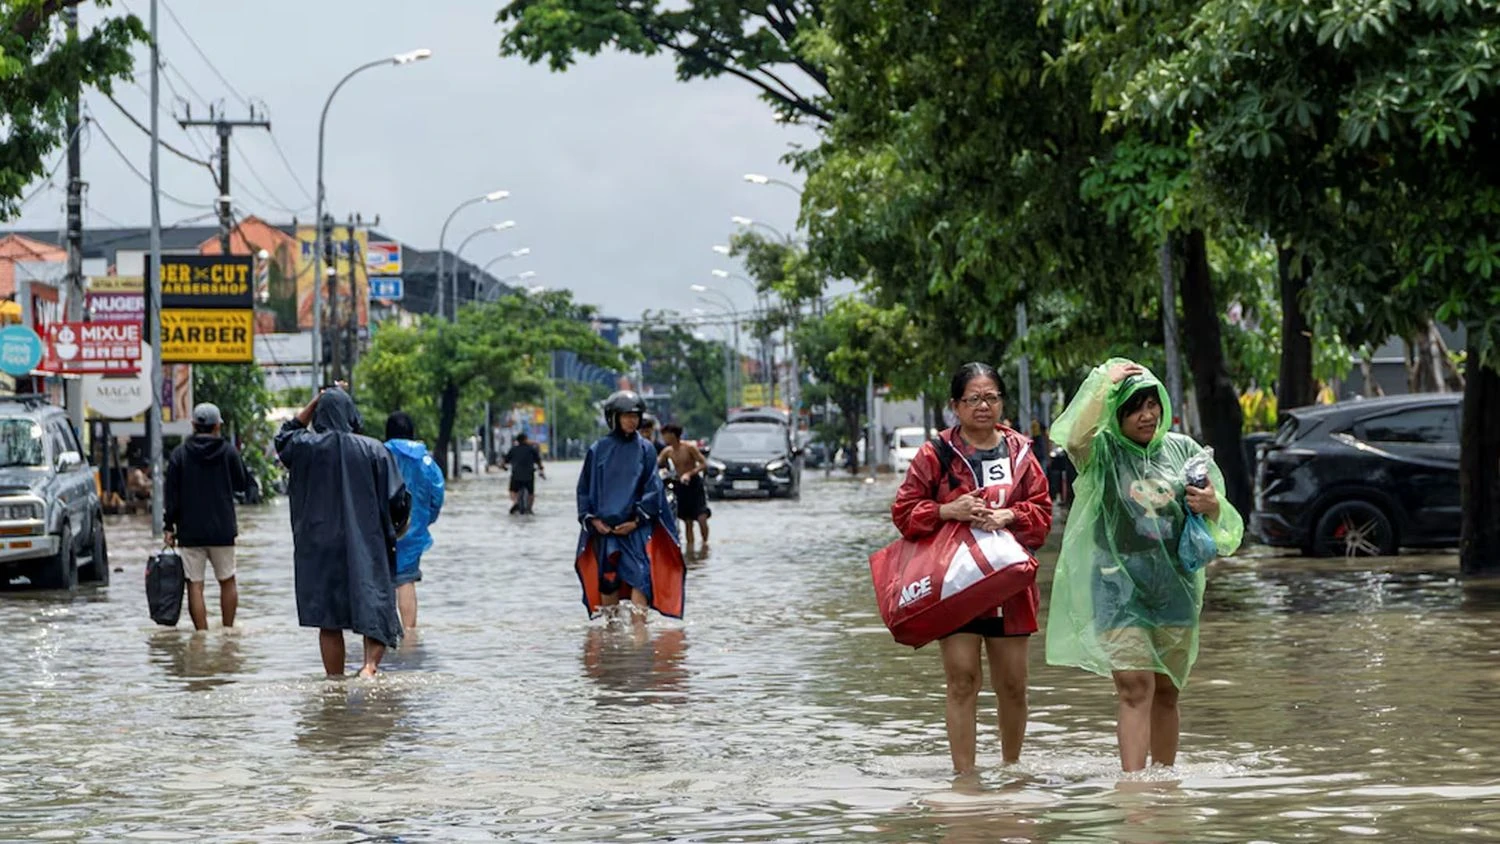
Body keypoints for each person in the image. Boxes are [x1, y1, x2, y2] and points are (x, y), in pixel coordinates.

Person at [1045, 359, 1244, 772]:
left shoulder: (1184, 450)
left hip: (1176, 590)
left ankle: (1165, 785)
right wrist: (1103, 382)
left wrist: (1211, 505)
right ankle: (1134, 790)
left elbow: (1219, 516)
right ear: (1117, 414)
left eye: (1153, 404)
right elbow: (1073, 436)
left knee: (1168, 691)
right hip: (1118, 589)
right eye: (1135, 406)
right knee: (1136, 688)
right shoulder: (1102, 453)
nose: (1147, 414)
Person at [890, 362, 1053, 774]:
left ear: (1002, 401)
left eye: (991, 397)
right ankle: (964, 779)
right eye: (973, 399)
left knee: (1013, 685)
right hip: (956, 584)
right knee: (962, 680)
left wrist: (1009, 516)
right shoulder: (935, 454)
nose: (983, 406)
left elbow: (1042, 512)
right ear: (955, 406)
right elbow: (904, 512)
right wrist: (947, 509)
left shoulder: (1021, 452)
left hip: (1010, 585)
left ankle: (1012, 771)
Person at [275, 387, 411, 678]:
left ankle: (335, 681)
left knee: (329, 618)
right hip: (366, 542)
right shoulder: (375, 449)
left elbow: (283, 436)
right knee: (375, 606)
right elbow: (398, 499)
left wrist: (316, 399)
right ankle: (369, 668)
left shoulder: (303, 447)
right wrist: (396, 527)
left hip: (318, 546)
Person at [574, 390, 686, 626]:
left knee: (640, 580)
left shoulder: (645, 449)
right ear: (613, 418)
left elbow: (653, 488)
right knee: (608, 582)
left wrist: (637, 520)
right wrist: (593, 520)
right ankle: (611, 638)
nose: (631, 421)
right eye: (626, 416)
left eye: (635, 416)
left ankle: (639, 638)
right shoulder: (598, 450)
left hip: (635, 529)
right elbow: (584, 489)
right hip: (605, 530)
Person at [163, 402, 249, 631]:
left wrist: (168, 526)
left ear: (193, 425)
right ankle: (228, 631)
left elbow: (170, 494)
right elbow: (242, 484)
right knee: (227, 580)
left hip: (190, 530)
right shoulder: (229, 452)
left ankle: (200, 634)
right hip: (222, 529)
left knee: (195, 584)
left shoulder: (179, 455)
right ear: (217, 427)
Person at [384, 411, 446, 631]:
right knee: (406, 579)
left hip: (379, 528)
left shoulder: (378, 454)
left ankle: (381, 633)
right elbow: (437, 495)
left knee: (380, 579)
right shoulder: (426, 461)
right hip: (413, 529)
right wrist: (425, 520)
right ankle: (410, 635)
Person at [658, 423, 711, 545]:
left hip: (694, 484)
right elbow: (656, 463)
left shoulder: (689, 448)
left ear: (672, 435)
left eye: (665, 435)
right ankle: (690, 547)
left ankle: (705, 544)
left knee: (701, 517)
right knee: (687, 521)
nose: (664, 438)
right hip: (680, 485)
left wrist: (690, 473)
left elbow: (703, 464)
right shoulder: (667, 451)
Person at [501, 432, 546, 514]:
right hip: (529, 475)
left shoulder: (513, 449)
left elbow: (504, 462)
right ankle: (529, 508)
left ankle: (515, 502)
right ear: (525, 439)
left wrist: (504, 467)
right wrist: (541, 470)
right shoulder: (531, 449)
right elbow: (539, 461)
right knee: (531, 493)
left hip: (516, 475)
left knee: (512, 491)